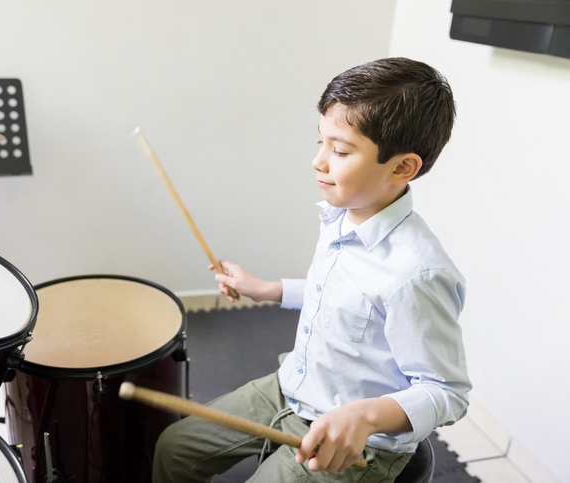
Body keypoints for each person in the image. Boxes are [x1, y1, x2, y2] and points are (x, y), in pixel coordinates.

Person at [153, 57, 472, 483]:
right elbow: (341, 295)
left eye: (339, 150)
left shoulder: (416, 274)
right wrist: (266, 289)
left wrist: (365, 415)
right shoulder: (343, 214)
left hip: (359, 441)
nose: (318, 161)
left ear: (402, 167)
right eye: (321, 142)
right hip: (293, 389)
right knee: (173, 448)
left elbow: (447, 393)